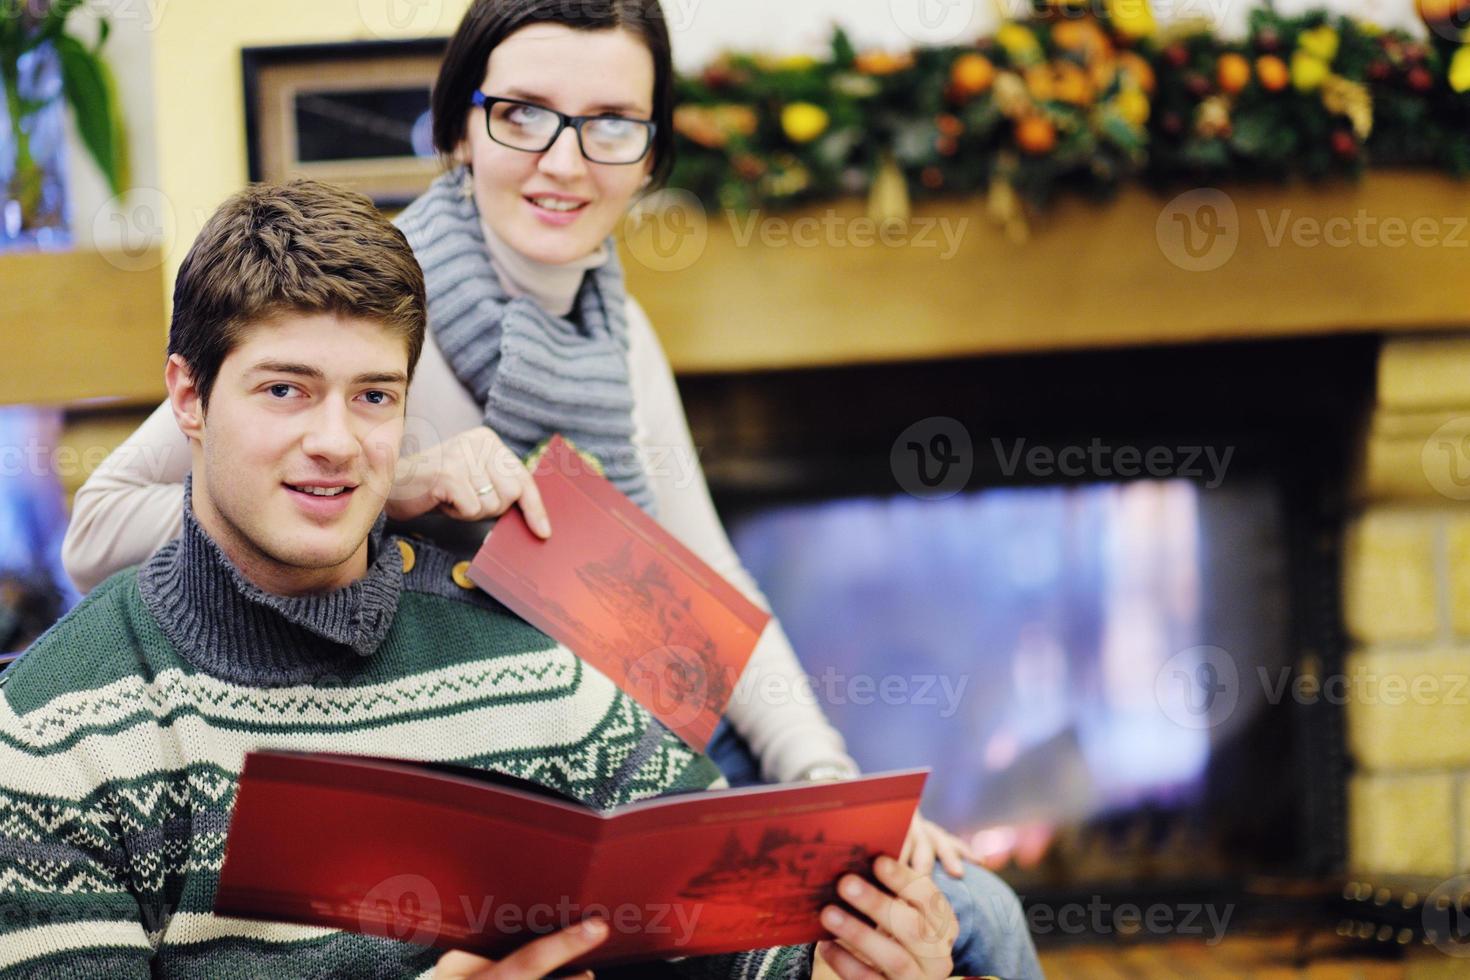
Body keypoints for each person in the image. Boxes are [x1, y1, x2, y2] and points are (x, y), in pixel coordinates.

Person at [60, 0, 971, 874]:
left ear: (650, 158)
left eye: (612, 123)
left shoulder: (617, 330)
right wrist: (394, 486)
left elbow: (706, 581)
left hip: (660, 721)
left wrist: (823, 780)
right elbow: (96, 533)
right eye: (522, 115)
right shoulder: (362, 316)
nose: (565, 164)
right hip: (520, 773)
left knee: (968, 909)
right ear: (458, 129)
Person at [0, 179, 963, 980]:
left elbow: (748, 943)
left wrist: (848, 962)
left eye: (373, 396)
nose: (334, 442)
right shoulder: (52, 733)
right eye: (284, 389)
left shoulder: (527, 658)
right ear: (190, 398)